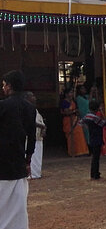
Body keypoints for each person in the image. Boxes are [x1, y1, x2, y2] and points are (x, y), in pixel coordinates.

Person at [0, 70, 36, 229]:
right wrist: (28, 160)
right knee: (18, 203)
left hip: (2, 161)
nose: (3, 88)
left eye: (3, 84)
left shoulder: (3, 106)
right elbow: (32, 136)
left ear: (9, 86)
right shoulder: (29, 108)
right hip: (19, 162)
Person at [81, 100, 106, 180]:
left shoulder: (87, 116)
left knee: (94, 157)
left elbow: (81, 123)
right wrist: (102, 113)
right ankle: (95, 174)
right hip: (97, 138)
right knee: (96, 157)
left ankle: (94, 173)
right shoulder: (95, 118)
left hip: (91, 137)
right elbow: (105, 124)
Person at [61, 86, 89, 157]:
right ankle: (73, 152)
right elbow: (66, 112)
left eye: (72, 92)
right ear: (66, 94)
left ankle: (81, 151)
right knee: (71, 135)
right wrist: (74, 111)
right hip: (68, 120)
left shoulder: (73, 101)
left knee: (79, 133)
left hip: (75, 120)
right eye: (70, 92)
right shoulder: (64, 102)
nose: (72, 94)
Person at [26, 92, 44, 179]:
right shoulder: (26, 109)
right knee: (33, 155)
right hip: (32, 135)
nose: (35, 98)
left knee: (38, 156)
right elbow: (31, 122)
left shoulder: (34, 109)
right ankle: (32, 173)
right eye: (32, 96)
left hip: (38, 135)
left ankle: (36, 173)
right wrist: (42, 126)